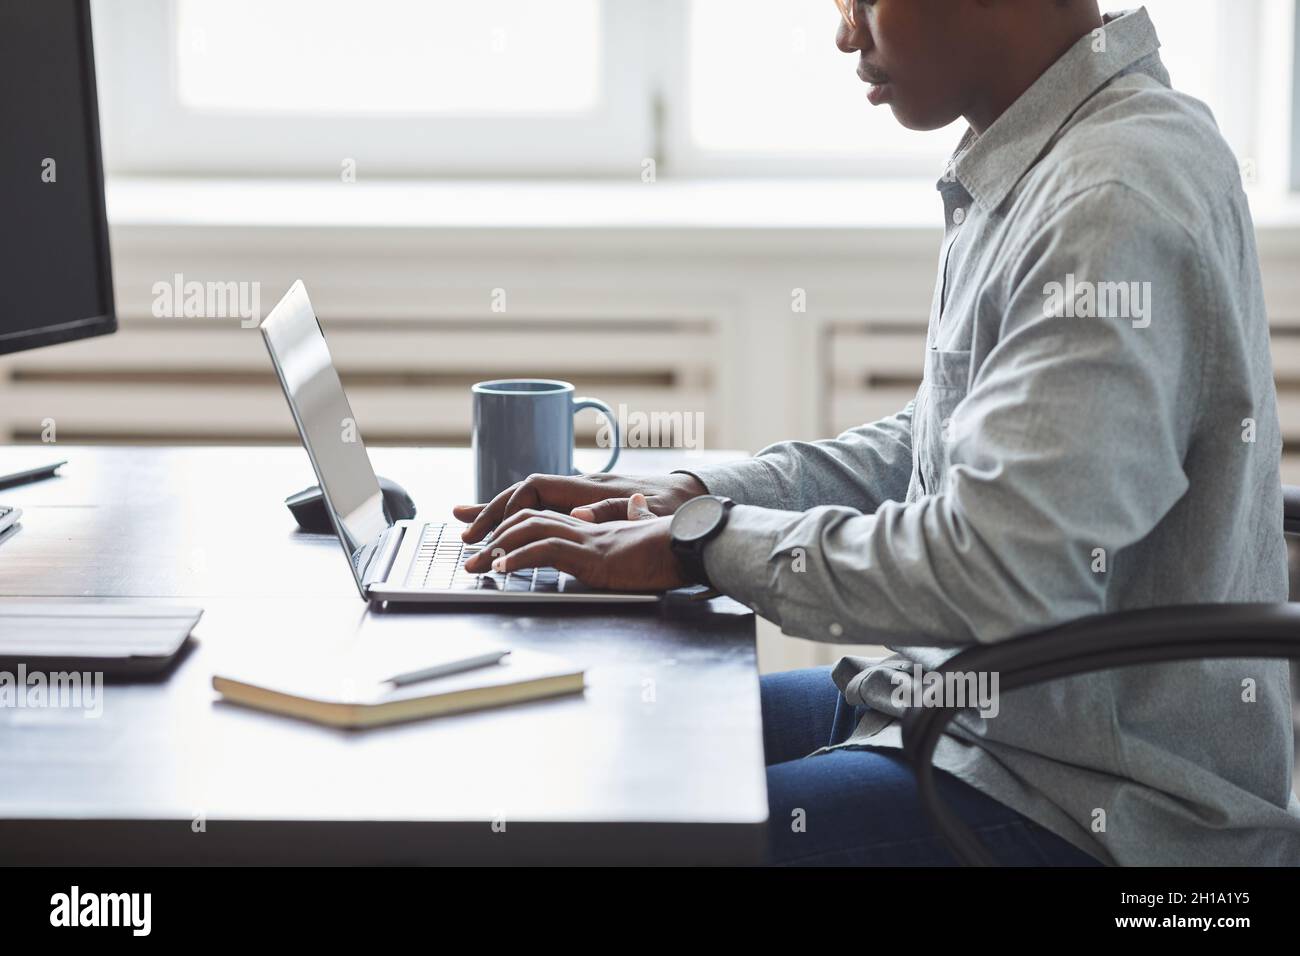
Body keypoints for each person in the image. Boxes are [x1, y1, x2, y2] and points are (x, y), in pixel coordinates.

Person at [454, 2, 1300, 865]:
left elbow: (999, 564)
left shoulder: (1110, 200)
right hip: (966, 717)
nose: (846, 34)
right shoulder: (1052, 156)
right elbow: (930, 449)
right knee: (617, 741)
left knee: (628, 839)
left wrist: (702, 547)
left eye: (861, 0)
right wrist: (703, 499)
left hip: (1092, 806)